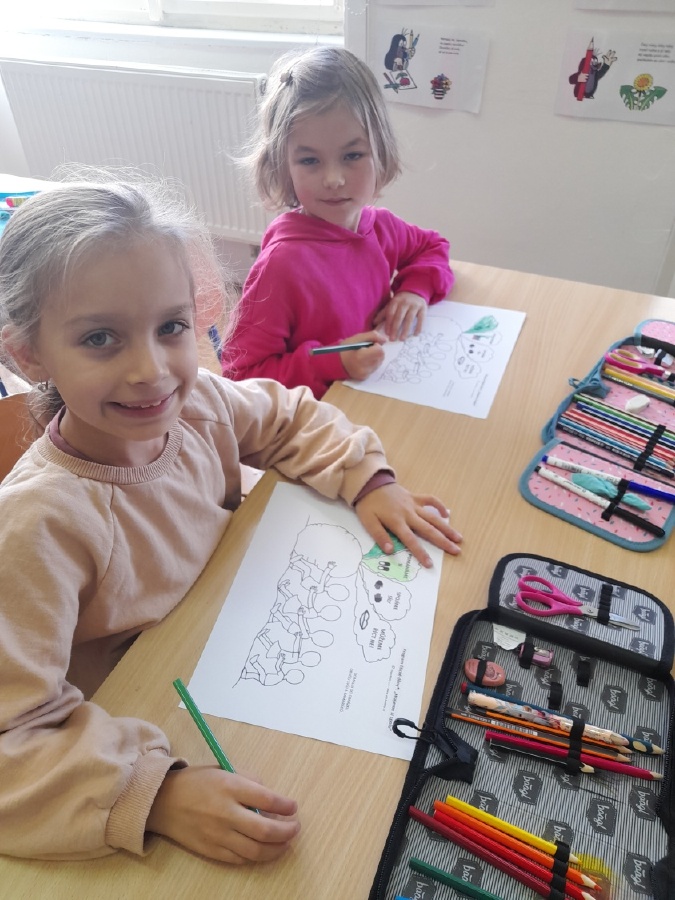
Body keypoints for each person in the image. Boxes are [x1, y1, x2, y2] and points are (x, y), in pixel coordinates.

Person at [0, 174, 463, 863]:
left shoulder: (198, 407)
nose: (152, 370)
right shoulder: (37, 524)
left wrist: (367, 478)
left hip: (238, 662)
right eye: (100, 338)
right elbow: (12, 742)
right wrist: (154, 795)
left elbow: (288, 416)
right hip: (142, 727)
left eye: (171, 327)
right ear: (28, 354)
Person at [222, 46, 454, 399]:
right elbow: (240, 376)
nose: (333, 179)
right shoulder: (281, 267)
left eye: (352, 155)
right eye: (310, 160)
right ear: (283, 165)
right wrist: (330, 363)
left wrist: (414, 291)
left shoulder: (380, 227)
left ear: (380, 151)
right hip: (315, 415)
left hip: (372, 397)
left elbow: (432, 247)